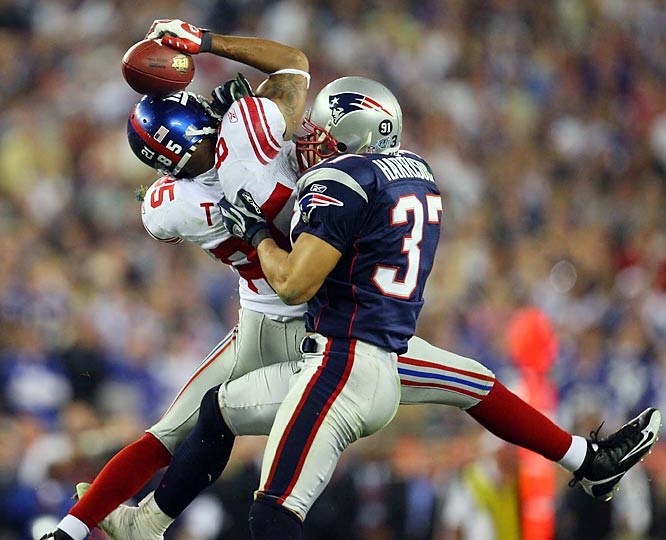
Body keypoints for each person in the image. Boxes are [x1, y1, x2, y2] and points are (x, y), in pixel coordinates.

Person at [38, 18, 661, 540]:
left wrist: (246, 179)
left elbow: (281, 249)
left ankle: (106, 527)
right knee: (472, 381)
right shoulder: (319, 152)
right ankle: (585, 459)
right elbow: (291, 70)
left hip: (300, 324)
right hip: (337, 324)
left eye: (322, 134)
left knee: (190, 428)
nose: (309, 136)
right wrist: (207, 45)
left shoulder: (173, 202)